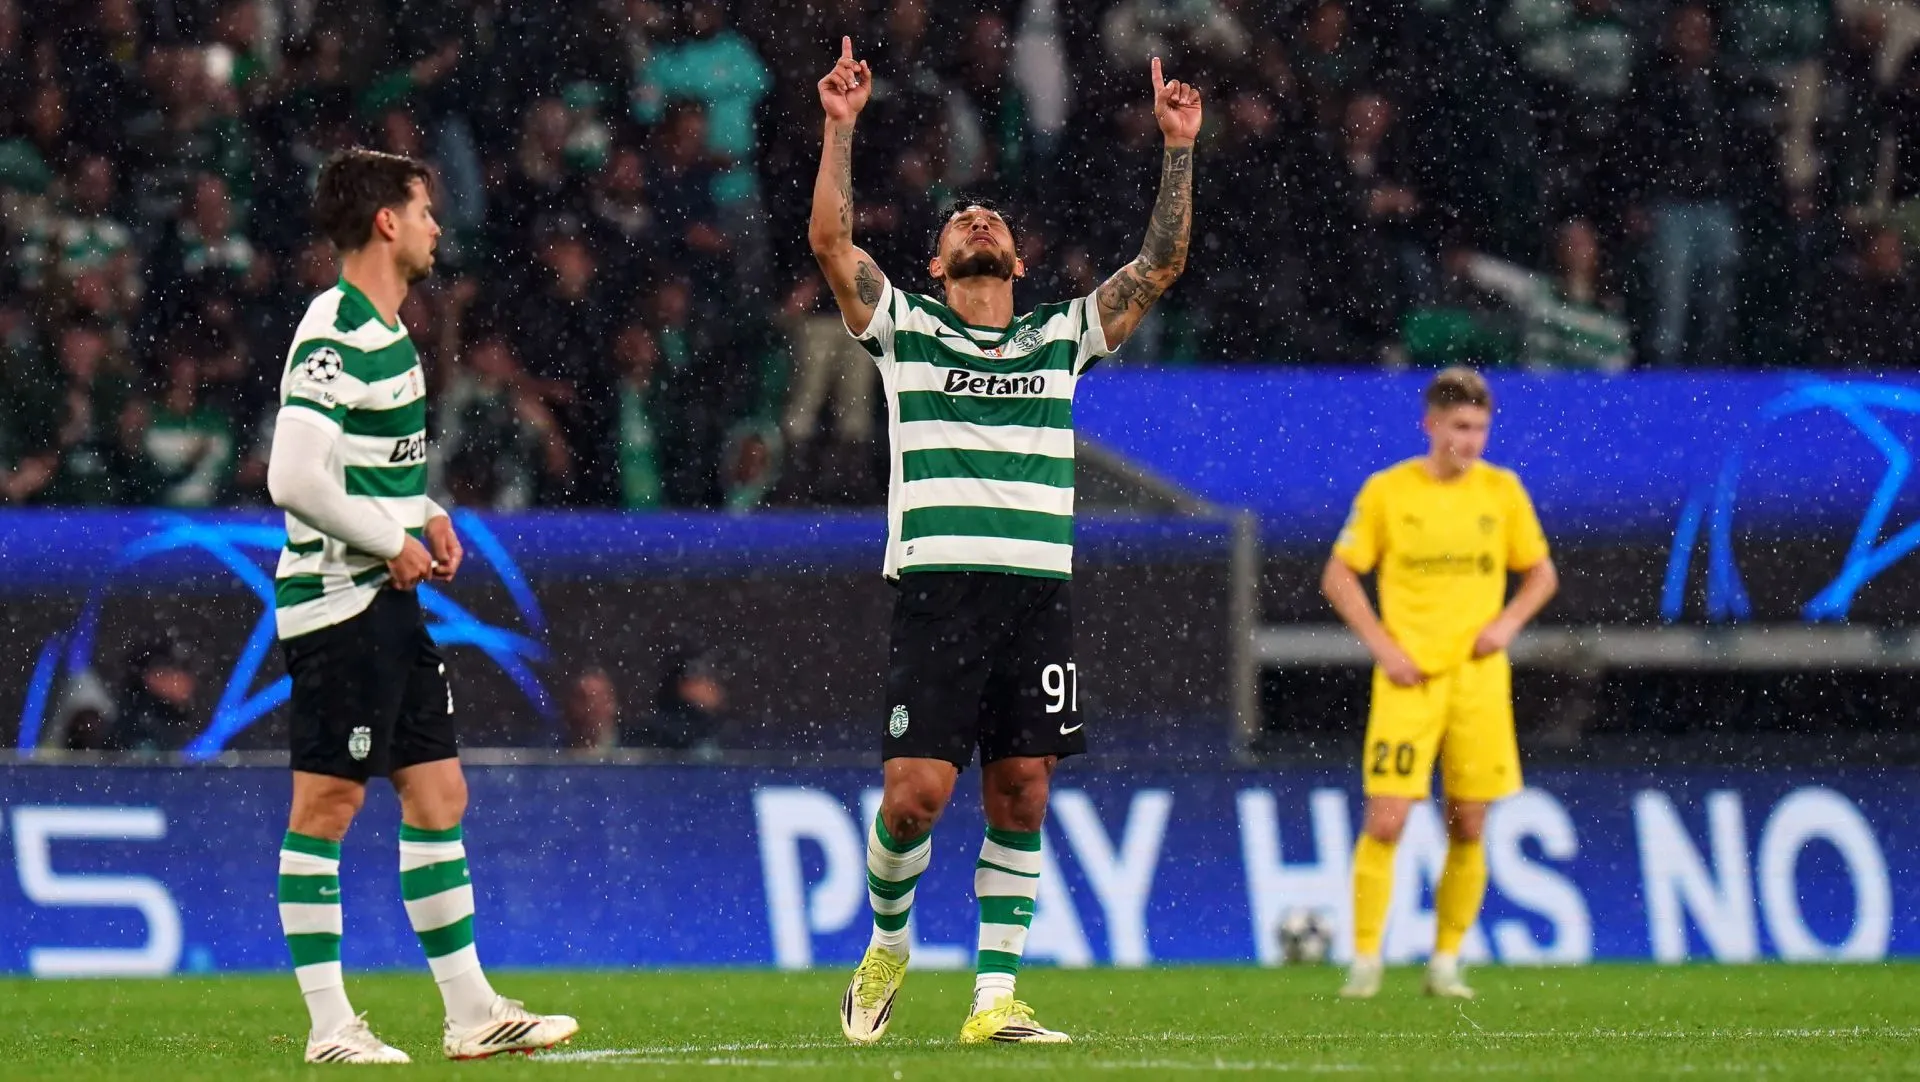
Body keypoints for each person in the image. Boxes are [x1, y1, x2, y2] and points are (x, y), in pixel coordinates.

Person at [811, 37, 1198, 1045]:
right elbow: (830, 246)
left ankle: (995, 997)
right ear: (938, 266)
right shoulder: (906, 330)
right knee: (916, 796)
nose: (977, 220)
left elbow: (1159, 265)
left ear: (1017, 261)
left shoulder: (1059, 334)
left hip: (1036, 593)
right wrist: (840, 129)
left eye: (993, 219)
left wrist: (1179, 147)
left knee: (1023, 788)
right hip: (939, 589)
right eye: (958, 221)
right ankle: (889, 940)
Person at [264, 148, 578, 1065]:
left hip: (384, 604)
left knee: (439, 794)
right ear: (386, 223)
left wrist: (424, 514)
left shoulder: (392, 332)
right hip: (336, 607)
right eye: (424, 209)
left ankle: (472, 1011)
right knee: (325, 808)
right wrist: (388, 540)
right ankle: (329, 1029)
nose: (439, 225)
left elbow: (359, 475)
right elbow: (292, 477)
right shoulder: (334, 332)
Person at [1319, 367, 1559, 1000]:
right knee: (1387, 820)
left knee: (1470, 824)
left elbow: (1541, 575)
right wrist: (1385, 649)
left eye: (1480, 427)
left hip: (1477, 684)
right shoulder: (1389, 492)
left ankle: (1446, 961)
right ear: (1431, 425)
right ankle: (1366, 961)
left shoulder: (1502, 492)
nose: (1470, 439)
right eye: (1459, 426)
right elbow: (1339, 576)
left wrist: (1505, 624)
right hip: (1409, 680)